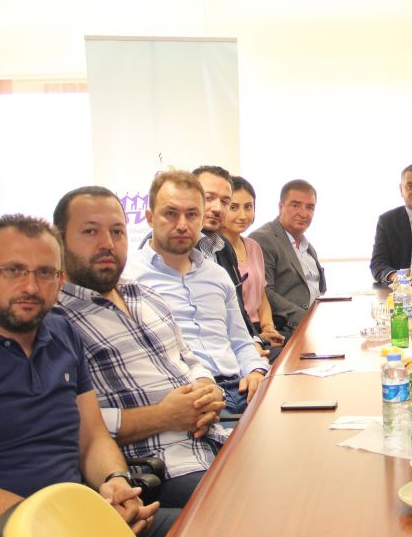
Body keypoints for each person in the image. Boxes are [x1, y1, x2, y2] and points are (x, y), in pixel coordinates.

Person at [0, 215, 173, 537]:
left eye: (45, 273)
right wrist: (58, 521)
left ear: (60, 282)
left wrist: (116, 481)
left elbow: (92, 438)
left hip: (79, 524)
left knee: (211, 535)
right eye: (13, 271)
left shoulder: (63, 333)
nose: (31, 287)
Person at [53, 187, 229, 507]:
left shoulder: (145, 295)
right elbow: (73, 427)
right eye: (90, 231)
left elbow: (189, 359)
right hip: (161, 470)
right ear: (59, 240)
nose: (107, 243)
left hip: (216, 440)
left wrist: (208, 390)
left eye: (117, 231)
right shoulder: (55, 322)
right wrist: (163, 416)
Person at [124, 170, 268, 414]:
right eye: (171, 213)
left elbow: (241, 341)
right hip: (186, 395)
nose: (182, 225)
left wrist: (256, 370)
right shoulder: (128, 278)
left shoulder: (217, 274)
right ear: (149, 217)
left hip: (240, 388)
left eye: (192, 215)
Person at [249, 179, 326, 337]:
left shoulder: (307, 246)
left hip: (316, 324)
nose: (303, 214)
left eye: (310, 207)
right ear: (281, 207)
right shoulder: (263, 239)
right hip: (286, 329)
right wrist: (307, 320)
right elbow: (264, 293)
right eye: (295, 205)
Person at [221, 175, 282, 346]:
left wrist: (268, 327)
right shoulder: (215, 250)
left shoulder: (254, 246)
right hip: (236, 334)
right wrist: (257, 338)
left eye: (248, 207)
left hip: (258, 329)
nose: (243, 215)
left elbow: (261, 296)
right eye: (233, 207)